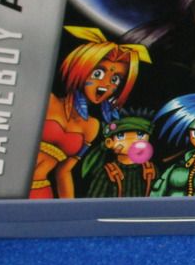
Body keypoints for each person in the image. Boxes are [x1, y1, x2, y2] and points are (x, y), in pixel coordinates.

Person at [31, 26, 150, 199]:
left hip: (41, 191)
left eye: (115, 79)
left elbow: (64, 172)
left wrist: (69, 209)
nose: (106, 84)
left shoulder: (92, 126)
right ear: (80, 69)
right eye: (98, 73)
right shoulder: (47, 101)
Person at [80, 109, 157, 197]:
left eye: (140, 135)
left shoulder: (151, 171)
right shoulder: (106, 174)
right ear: (109, 143)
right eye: (121, 136)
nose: (132, 141)